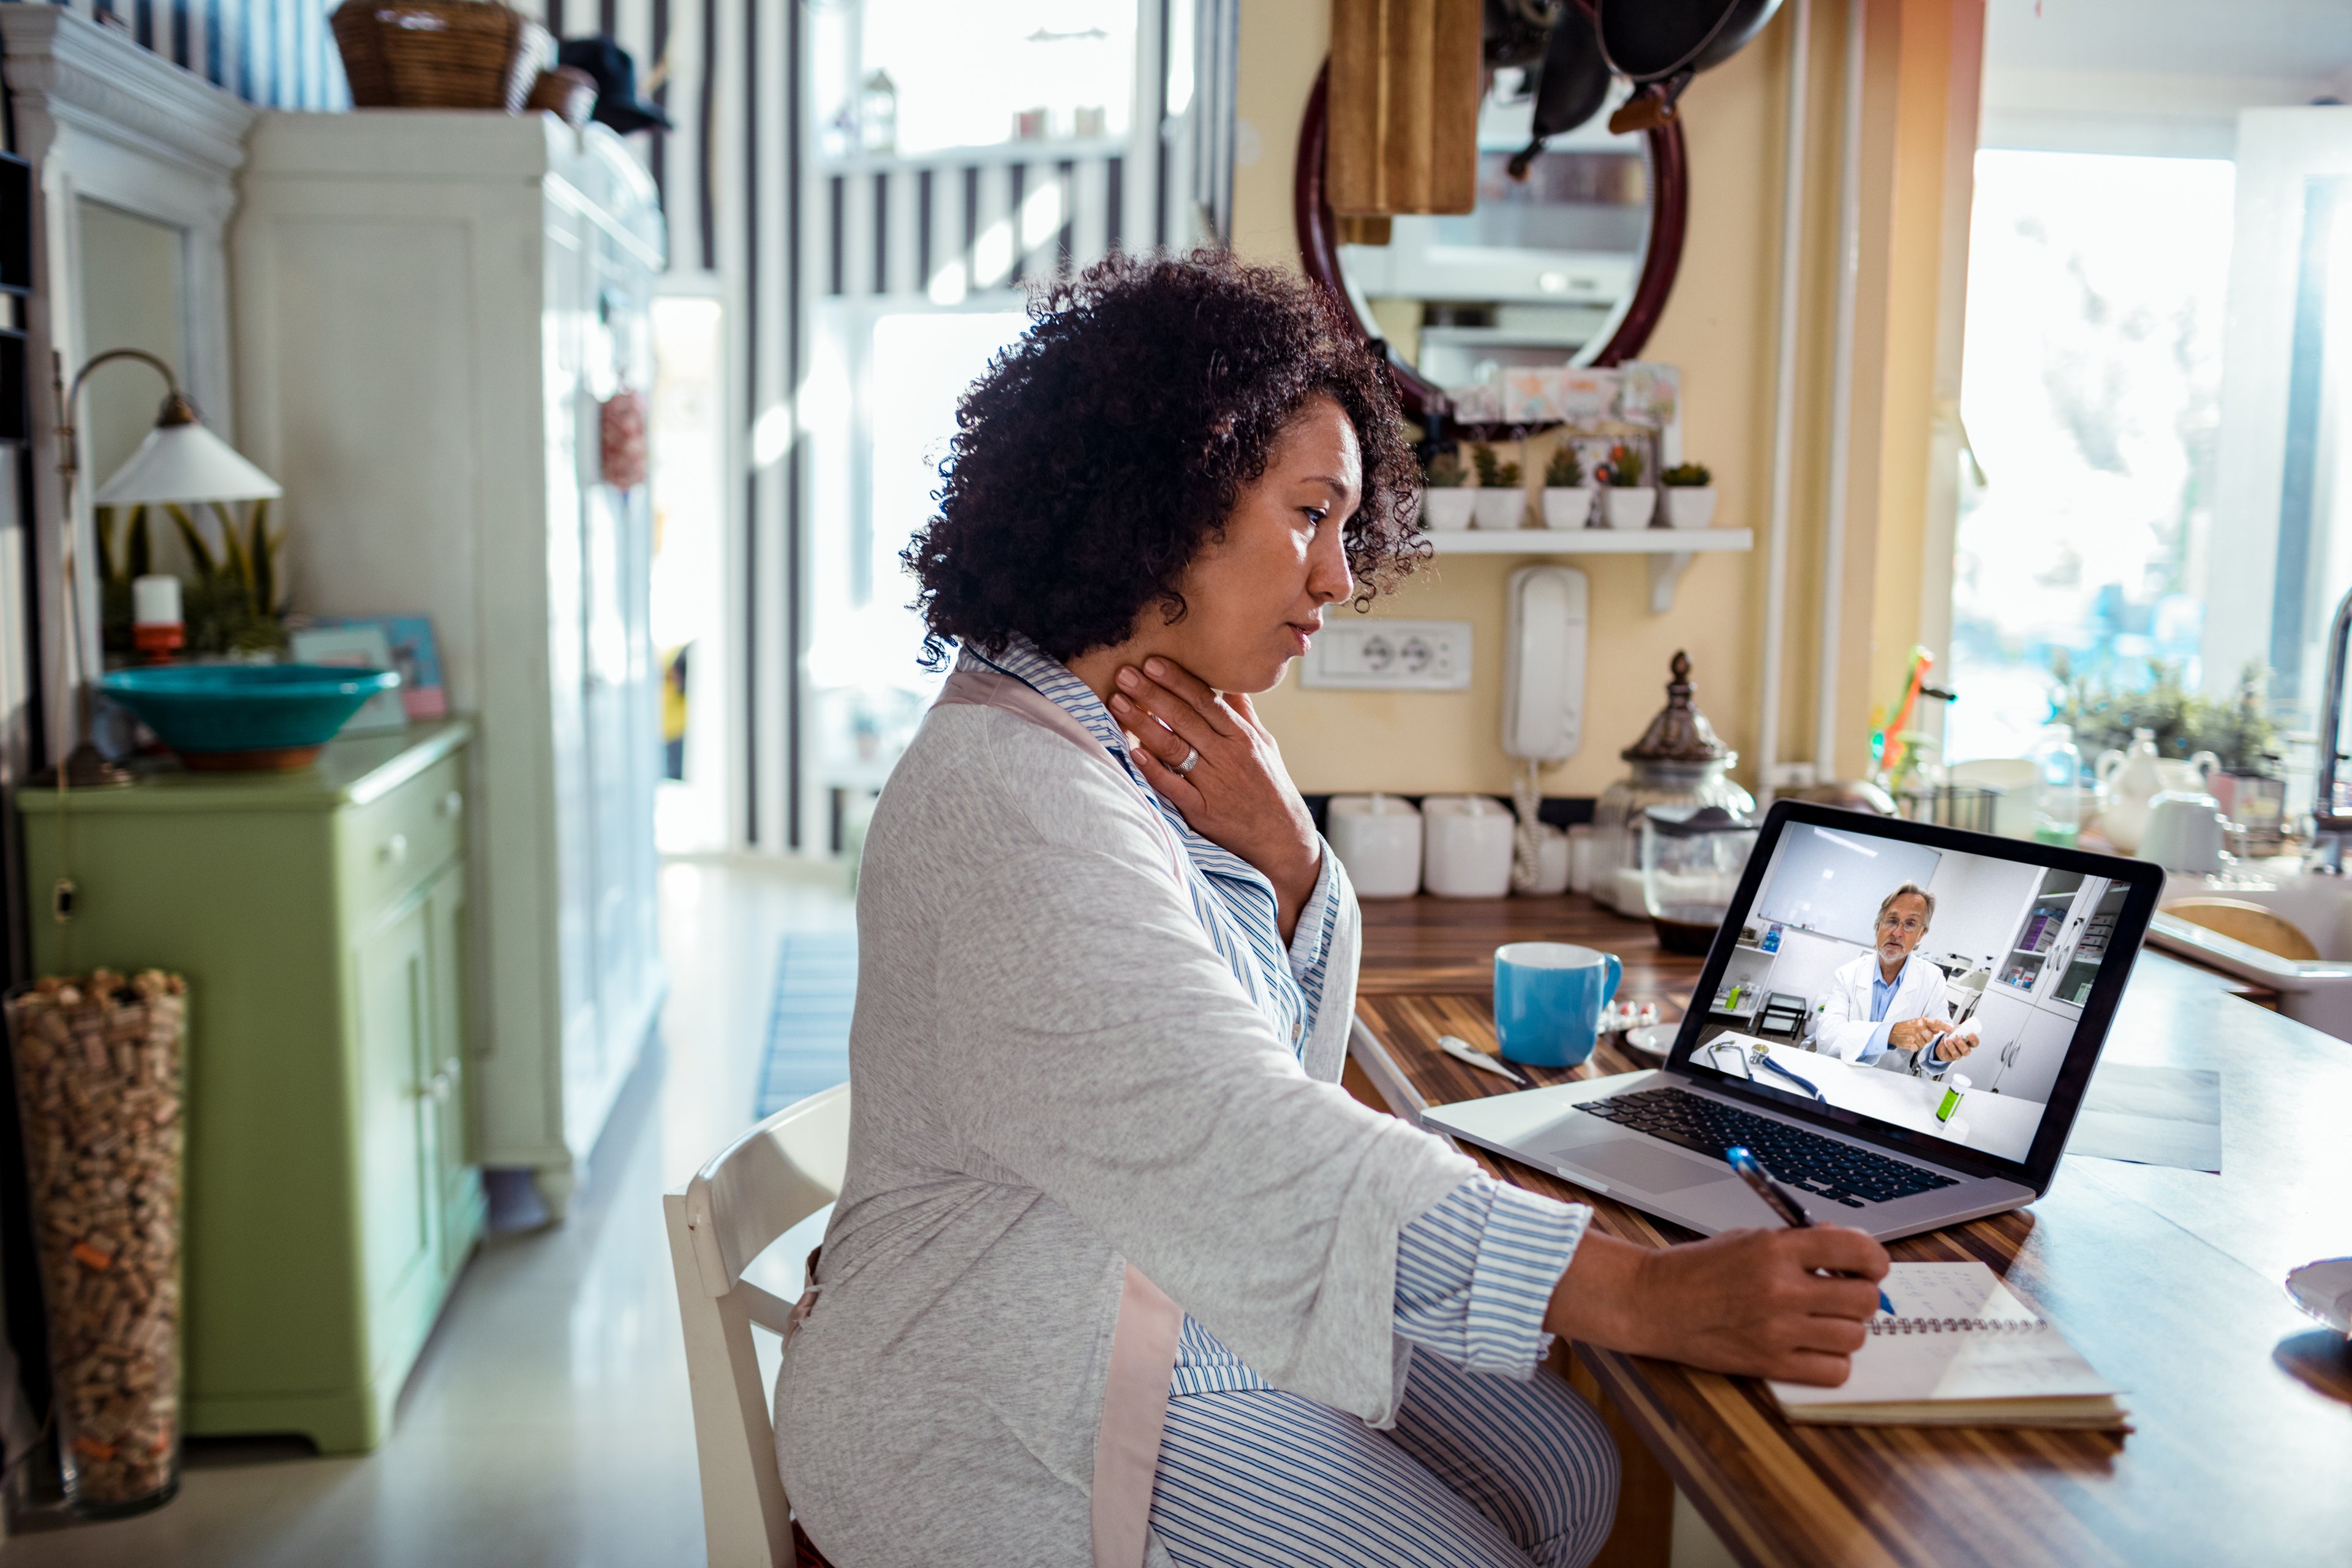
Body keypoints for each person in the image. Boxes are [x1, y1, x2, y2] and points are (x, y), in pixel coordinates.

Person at [771, 252, 1890, 1568]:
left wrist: (1292, 857)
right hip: (986, 1391)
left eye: (1350, 527)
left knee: (1572, 1472)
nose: (1341, 578)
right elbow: (1257, 1140)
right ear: (1165, 495)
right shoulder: (1009, 801)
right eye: (1311, 515)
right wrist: (1639, 1288)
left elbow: (1264, 1071)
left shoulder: (1120, 747)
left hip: (1138, 1280)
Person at [1814, 884, 1977, 1077]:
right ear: (1878, 926)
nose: (1897, 932)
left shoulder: (1933, 980)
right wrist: (1889, 1034)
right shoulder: (1847, 974)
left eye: (1910, 924)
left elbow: (1937, 1036)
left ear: (1921, 935)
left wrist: (1940, 1051)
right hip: (1839, 1072)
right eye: (1892, 921)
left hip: (1889, 1084)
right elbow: (1827, 1036)